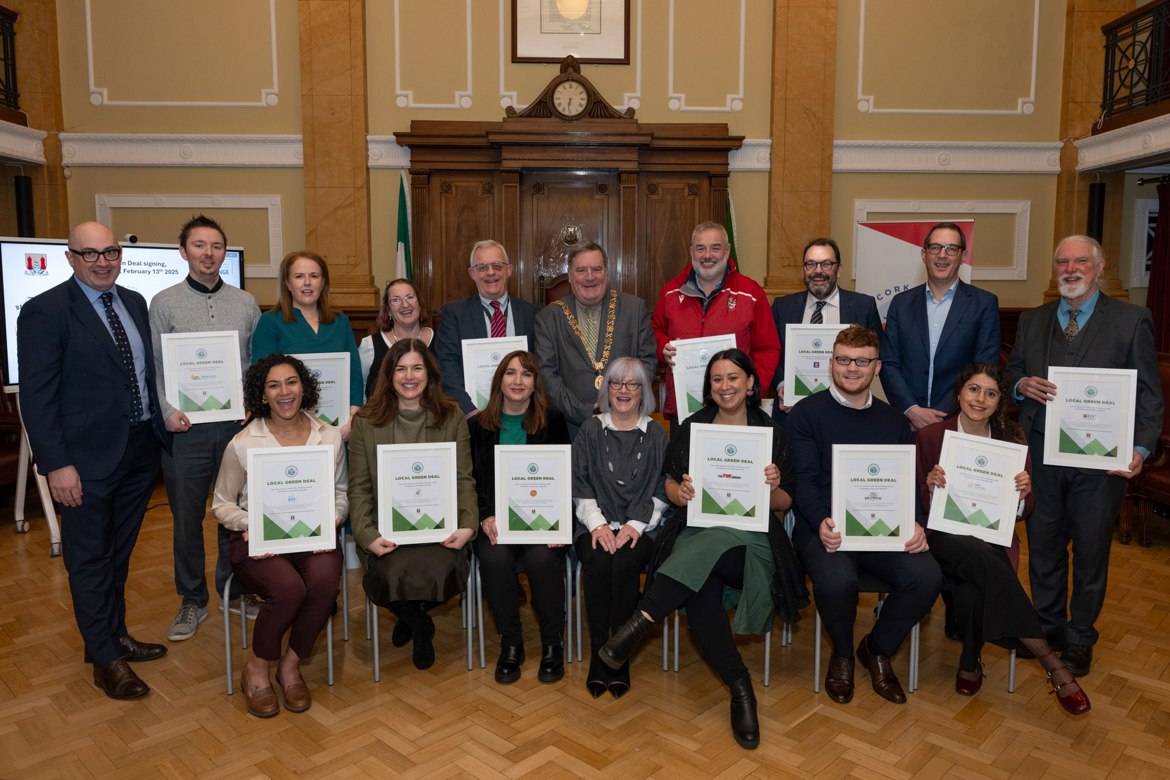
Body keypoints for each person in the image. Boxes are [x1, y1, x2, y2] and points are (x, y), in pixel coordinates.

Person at [598, 349, 801, 750]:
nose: (725, 386)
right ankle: (740, 686)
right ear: (708, 387)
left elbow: (785, 504)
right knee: (701, 585)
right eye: (717, 379)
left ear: (749, 383)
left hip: (752, 542)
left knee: (705, 554)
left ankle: (639, 622)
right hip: (699, 531)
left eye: (732, 378)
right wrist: (683, 492)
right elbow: (670, 488)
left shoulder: (771, 433)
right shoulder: (692, 429)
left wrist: (773, 485)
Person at [17, 221, 170, 700]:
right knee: (88, 561)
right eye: (90, 254)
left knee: (118, 557)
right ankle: (105, 660)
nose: (102, 262)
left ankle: (115, 635)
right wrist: (56, 464)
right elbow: (37, 398)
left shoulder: (135, 303)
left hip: (138, 453)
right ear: (70, 258)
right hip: (82, 464)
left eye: (110, 252)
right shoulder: (45, 312)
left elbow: (142, 376)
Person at [1007, 235, 1164, 676]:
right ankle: (1048, 629)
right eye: (1062, 261)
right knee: (1044, 550)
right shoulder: (1033, 320)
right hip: (1042, 456)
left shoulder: (1132, 320)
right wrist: (1021, 385)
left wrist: (1140, 448)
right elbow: (1013, 369)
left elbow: (1150, 396)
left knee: (1092, 553)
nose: (1070, 268)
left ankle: (1080, 639)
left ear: (1098, 267)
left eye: (1080, 261)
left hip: (1102, 464)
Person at [916, 363, 1090, 715]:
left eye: (991, 393)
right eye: (974, 390)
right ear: (960, 393)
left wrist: (1024, 494)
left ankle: (970, 661)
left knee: (977, 575)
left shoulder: (1013, 440)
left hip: (990, 538)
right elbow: (914, 502)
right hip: (942, 536)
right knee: (981, 561)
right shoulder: (933, 437)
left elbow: (1024, 511)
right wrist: (930, 487)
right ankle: (1051, 662)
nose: (981, 399)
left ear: (999, 401)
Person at [787, 325, 943, 705]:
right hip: (824, 527)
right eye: (843, 360)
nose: (852, 368)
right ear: (831, 364)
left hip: (881, 529)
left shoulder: (893, 421)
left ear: (877, 368)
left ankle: (875, 647)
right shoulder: (806, 413)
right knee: (836, 581)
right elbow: (803, 482)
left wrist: (916, 523)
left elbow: (907, 482)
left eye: (862, 361)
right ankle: (842, 651)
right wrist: (822, 520)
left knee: (927, 576)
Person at [211, 355, 348, 718]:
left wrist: (331, 519)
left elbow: (341, 494)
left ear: (304, 387)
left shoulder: (329, 436)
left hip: (311, 537)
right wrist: (251, 525)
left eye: (291, 382)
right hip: (257, 541)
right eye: (274, 385)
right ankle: (257, 667)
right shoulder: (242, 443)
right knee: (289, 590)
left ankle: (290, 665)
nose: (284, 392)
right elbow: (221, 505)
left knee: (323, 582)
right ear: (262, 394)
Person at [150, 214, 263, 642]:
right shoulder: (163, 302)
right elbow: (155, 370)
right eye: (199, 245)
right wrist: (165, 412)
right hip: (186, 429)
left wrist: (252, 402)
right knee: (186, 519)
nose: (208, 253)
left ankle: (233, 592)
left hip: (235, 428)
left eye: (216, 246)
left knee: (232, 514)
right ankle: (192, 600)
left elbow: (255, 363)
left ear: (224, 253)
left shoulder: (245, 303)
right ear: (184, 252)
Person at [348, 339, 478, 669]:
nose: (409, 376)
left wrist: (467, 525)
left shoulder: (451, 416)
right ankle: (421, 623)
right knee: (390, 573)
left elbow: (464, 477)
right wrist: (367, 535)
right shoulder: (366, 421)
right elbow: (359, 487)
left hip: (440, 528)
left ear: (429, 373)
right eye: (401, 368)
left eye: (417, 367)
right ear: (389, 375)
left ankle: (410, 617)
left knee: (443, 568)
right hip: (386, 528)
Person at [468, 350, 571, 685]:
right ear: (499, 380)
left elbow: (564, 477)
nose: (517, 381)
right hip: (498, 521)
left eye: (526, 374)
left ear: (534, 383)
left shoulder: (553, 421)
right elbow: (471, 479)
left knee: (543, 559)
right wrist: (485, 516)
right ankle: (511, 642)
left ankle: (552, 642)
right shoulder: (478, 425)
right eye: (510, 373)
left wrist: (560, 521)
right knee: (494, 557)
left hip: (543, 520)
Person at [572, 357, 669, 699]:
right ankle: (601, 654)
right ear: (606, 389)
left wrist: (635, 525)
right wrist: (598, 525)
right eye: (616, 383)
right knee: (599, 562)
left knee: (626, 563)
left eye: (632, 384)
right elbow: (579, 482)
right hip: (592, 524)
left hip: (641, 528)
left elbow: (662, 489)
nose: (623, 391)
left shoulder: (657, 433)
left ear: (644, 392)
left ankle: (620, 654)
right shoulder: (590, 430)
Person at [652, 221, 779, 427]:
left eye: (715, 248)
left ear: (727, 251)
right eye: (700, 248)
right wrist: (662, 347)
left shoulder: (751, 293)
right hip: (684, 408)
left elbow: (768, 349)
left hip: (736, 409)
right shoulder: (671, 293)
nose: (707, 255)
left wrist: (751, 391)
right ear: (692, 251)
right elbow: (654, 330)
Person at [881, 223, 1001, 431]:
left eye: (951, 249)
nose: (942, 255)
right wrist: (911, 409)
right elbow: (889, 363)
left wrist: (944, 415)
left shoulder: (983, 304)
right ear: (924, 254)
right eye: (935, 248)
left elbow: (984, 367)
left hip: (958, 422)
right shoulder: (901, 304)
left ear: (963, 256)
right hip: (906, 422)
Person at [535, 241, 657, 439]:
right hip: (571, 430)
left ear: (606, 272)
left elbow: (648, 362)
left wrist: (622, 404)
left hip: (626, 426)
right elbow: (547, 376)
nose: (590, 277)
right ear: (570, 275)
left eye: (596, 269)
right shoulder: (548, 318)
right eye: (581, 270)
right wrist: (584, 411)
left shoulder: (634, 309)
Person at [769, 237, 882, 427]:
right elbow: (772, 354)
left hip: (847, 413)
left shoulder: (864, 306)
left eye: (826, 264)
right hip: (793, 413)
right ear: (804, 270)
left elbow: (879, 355)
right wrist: (782, 386)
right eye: (811, 264)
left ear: (839, 270)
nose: (818, 271)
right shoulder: (782, 307)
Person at [251, 250, 363, 438]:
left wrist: (352, 418)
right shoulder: (270, 323)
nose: (307, 283)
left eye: (314, 276)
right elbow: (261, 380)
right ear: (287, 283)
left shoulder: (340, 321)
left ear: (323, 282)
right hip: (287, 427)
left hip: (339, 426)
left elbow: (354, 373)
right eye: (299, 276)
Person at [435, 240, 540, 416]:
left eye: (497, 266)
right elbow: (447, 367)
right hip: (472, 415)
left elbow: (541, 367)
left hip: (524, 414)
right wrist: (470, 411)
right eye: (482, 267)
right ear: (472, 273)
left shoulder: (533, 315)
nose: (490, 272)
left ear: (509, 270)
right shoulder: (454, 314)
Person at [360, 278, 433, 400]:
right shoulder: (369, 345)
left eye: (410, 297)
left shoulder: (442, 340)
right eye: (396, 300)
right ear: (388, 310)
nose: (405, 304)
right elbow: (361, 389)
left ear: (420, 304)